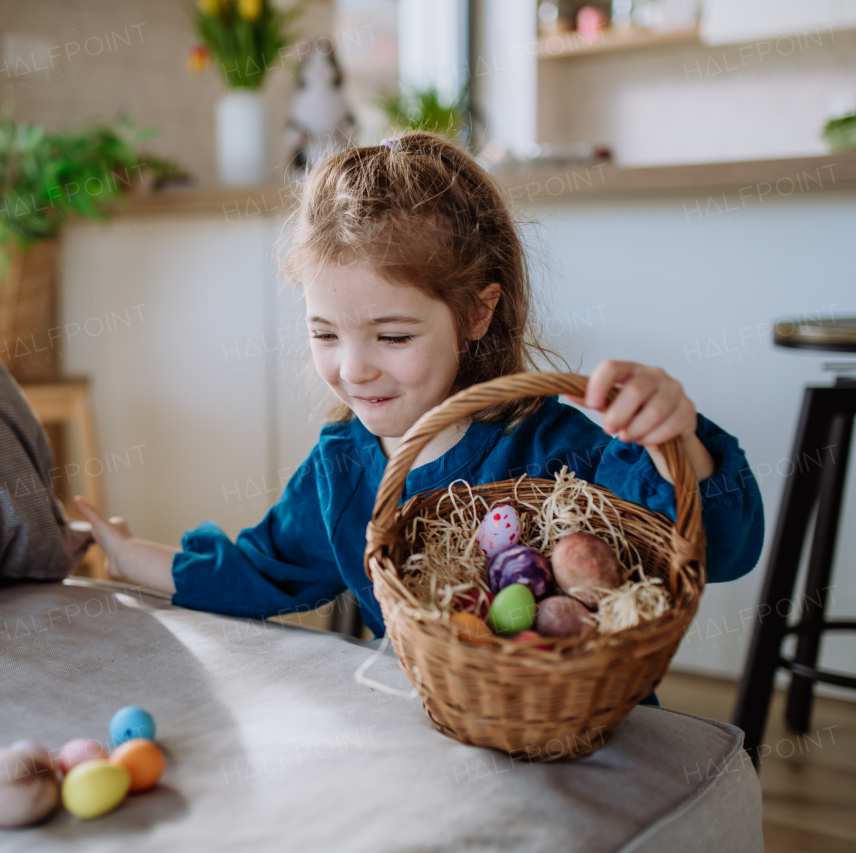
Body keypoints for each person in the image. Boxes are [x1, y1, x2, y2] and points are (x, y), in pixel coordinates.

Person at [73, 132, 764, 645]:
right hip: (437, 729)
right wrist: (131, 554)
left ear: (476, 312)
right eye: (325, 334)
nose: (354, 368)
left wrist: (673, 434)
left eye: (392, 336)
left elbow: (721, 550)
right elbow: (258, 573)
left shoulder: (558, 448)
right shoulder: (343, 469)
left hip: (575, 721)